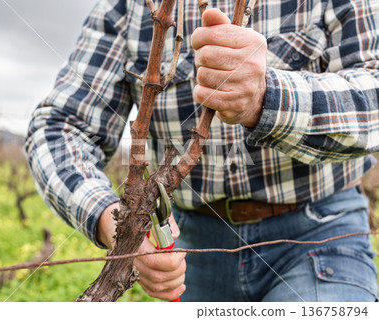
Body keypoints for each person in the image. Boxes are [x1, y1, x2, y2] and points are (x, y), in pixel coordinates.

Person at [25, 0, 379, 302]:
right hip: (192, 246)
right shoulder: (132, 8)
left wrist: (265, 97)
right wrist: (113, 221)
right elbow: (59, 127)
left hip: (321, 229)